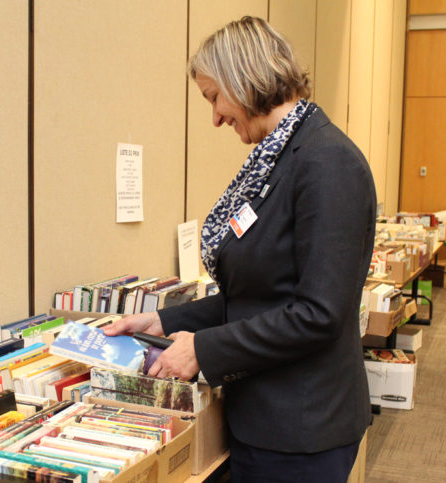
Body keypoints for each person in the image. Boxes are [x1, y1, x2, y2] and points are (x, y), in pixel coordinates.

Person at [103, 16, 376, 483]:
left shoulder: (327, 163)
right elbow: (257, 295)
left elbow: (319, 313)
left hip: (302, 432)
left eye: (213, 97)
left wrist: (204, 350)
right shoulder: (276, 159)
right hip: (265, 418)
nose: (214, 117)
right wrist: (164, 321)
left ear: (243, 79)